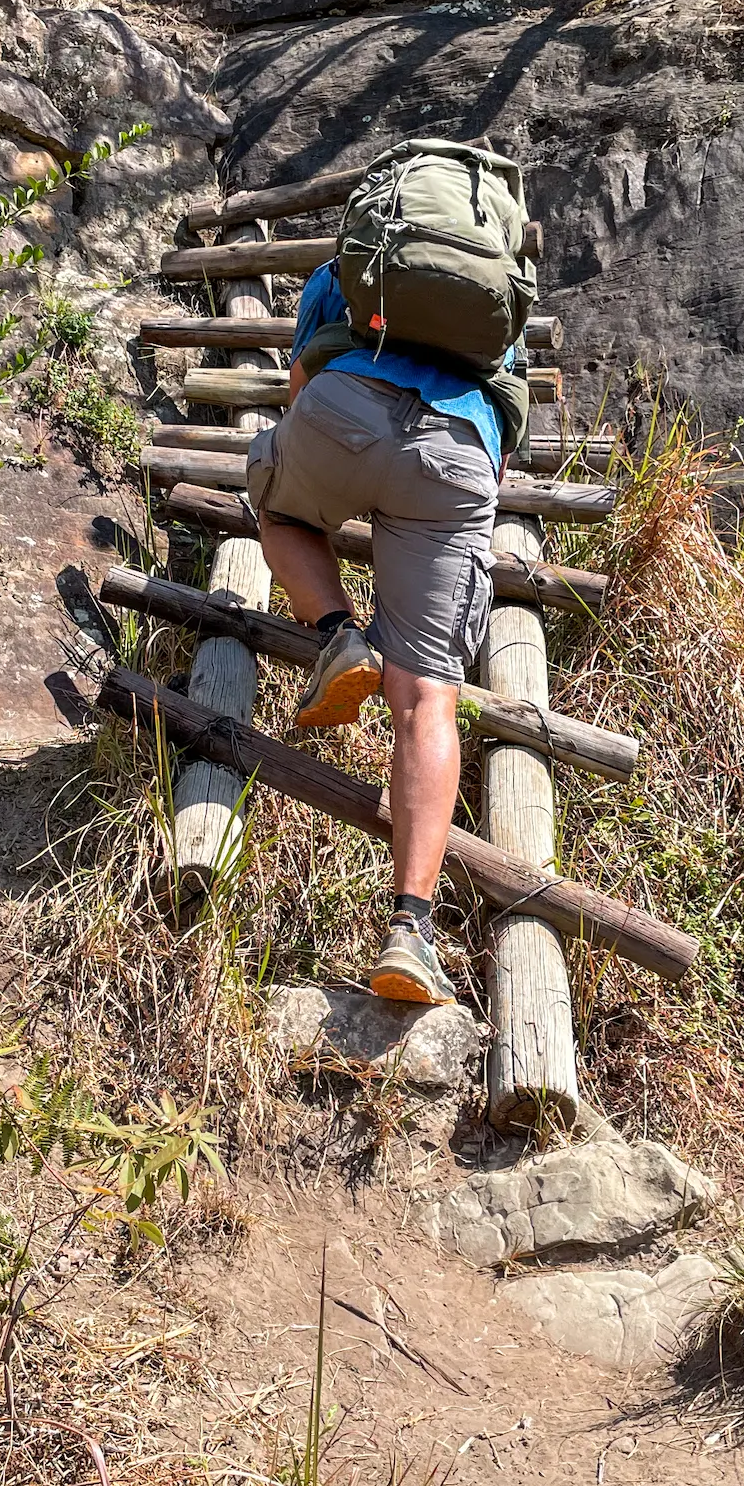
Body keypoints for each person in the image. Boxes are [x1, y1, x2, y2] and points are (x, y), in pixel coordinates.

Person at [246, 253, 526, 1006]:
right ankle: (409, 930)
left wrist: (338, 465)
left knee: (281, 509)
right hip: (459, 450)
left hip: (343, 410)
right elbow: (504, 445)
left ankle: (339, 633)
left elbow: (303, 386)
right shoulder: (499, 293)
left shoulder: (348, 265)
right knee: (428, 697)